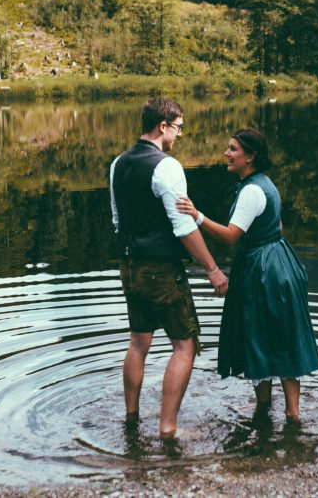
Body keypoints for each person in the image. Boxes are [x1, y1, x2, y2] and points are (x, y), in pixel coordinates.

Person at [176, 127, 318, 423]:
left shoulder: (252, 190)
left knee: (260, 336)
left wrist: (197, 216)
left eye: (233, 150)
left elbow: (231, 236)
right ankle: (289, 417)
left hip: (264, 271)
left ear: (250, 157)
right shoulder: (264, 184)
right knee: (279, 337)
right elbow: (277, 227)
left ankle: (274, 413)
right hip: (280, 263)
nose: (227, 154)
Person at [109, 97, 228, 439]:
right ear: (162, 126)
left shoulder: (118, 164)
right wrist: (212, 269)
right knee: (185, 345)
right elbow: (184, 227)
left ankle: (131, 418)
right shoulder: (167, 167)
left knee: (137, 342)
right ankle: (167, 427)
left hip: (128, 267)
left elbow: (118, 220)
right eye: (177, 128)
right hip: (161, 269)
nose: (178, 136)